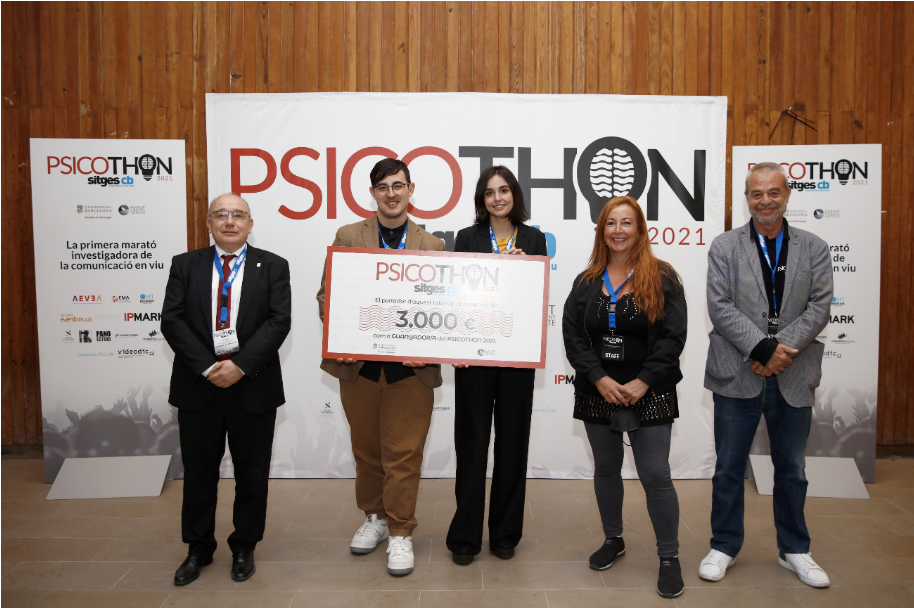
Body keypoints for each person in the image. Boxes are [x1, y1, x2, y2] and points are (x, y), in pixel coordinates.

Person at [699, 162, 832, 588]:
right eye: (756, 193)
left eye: (773, 192)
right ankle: (724, 545)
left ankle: (794, 550)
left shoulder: (815, 247)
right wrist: (761, 349)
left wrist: (777, 353)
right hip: (737, 371)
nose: (765, 201)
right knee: (728, 468)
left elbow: (820, 306)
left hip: (792, 373)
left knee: (792, 469)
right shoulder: (725, 247)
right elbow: (719, 306)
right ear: (747, 198)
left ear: (787, 194)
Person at [316, 158, 445, 577]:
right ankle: (375, 518)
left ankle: (401, 530)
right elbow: (326, 296)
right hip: (361, 366)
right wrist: (341, 336)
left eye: (398, 185)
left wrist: (429, 348)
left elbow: (444, 309)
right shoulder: (348, 235)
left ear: (411, 190)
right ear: (373, 193)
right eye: (383, 187)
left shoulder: (433, 245)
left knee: (404, 455)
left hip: (410, 371)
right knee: (367, 451)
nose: (391, 194)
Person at [162, 193, 291, 586]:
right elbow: (172, 320)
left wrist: (240, 366)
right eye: (221, 214)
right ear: (209, 223)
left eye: (238, 215)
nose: (229, 221)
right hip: (198, 386)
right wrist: (208, 367)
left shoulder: (273, 265)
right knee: (199, 474)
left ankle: (244, 546)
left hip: (252, 385)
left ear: (250, 224)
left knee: (252, 474)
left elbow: (278, 321)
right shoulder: (186, 265)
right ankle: (198, 548)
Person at [562, 196, 687, 599]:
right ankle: (613, 539)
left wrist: (644, 381)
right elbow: (573, 336)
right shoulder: (586, 282)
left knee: (655, 474)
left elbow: (673, 337)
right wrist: (598, 378)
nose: (618, 230)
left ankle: (669, 557)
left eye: (626, 223)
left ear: (640, 230)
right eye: (611, 223)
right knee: (606, 468)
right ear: (602, 231)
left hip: (649, 390)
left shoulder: (663, 277)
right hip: (599, 391)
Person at [446, 166, 548, 565]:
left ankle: (506, 534)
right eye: (489, 193)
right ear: (482, 199)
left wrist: (524, 269)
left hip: (517, 354)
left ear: (514, 195)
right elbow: (456, 295)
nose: (497, 198)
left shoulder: (534, 238)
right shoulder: (466, 238)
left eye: (504, 191)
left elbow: (537, 296)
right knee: (471, 445)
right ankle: (465, 536)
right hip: (474, 355)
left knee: (512, 444)